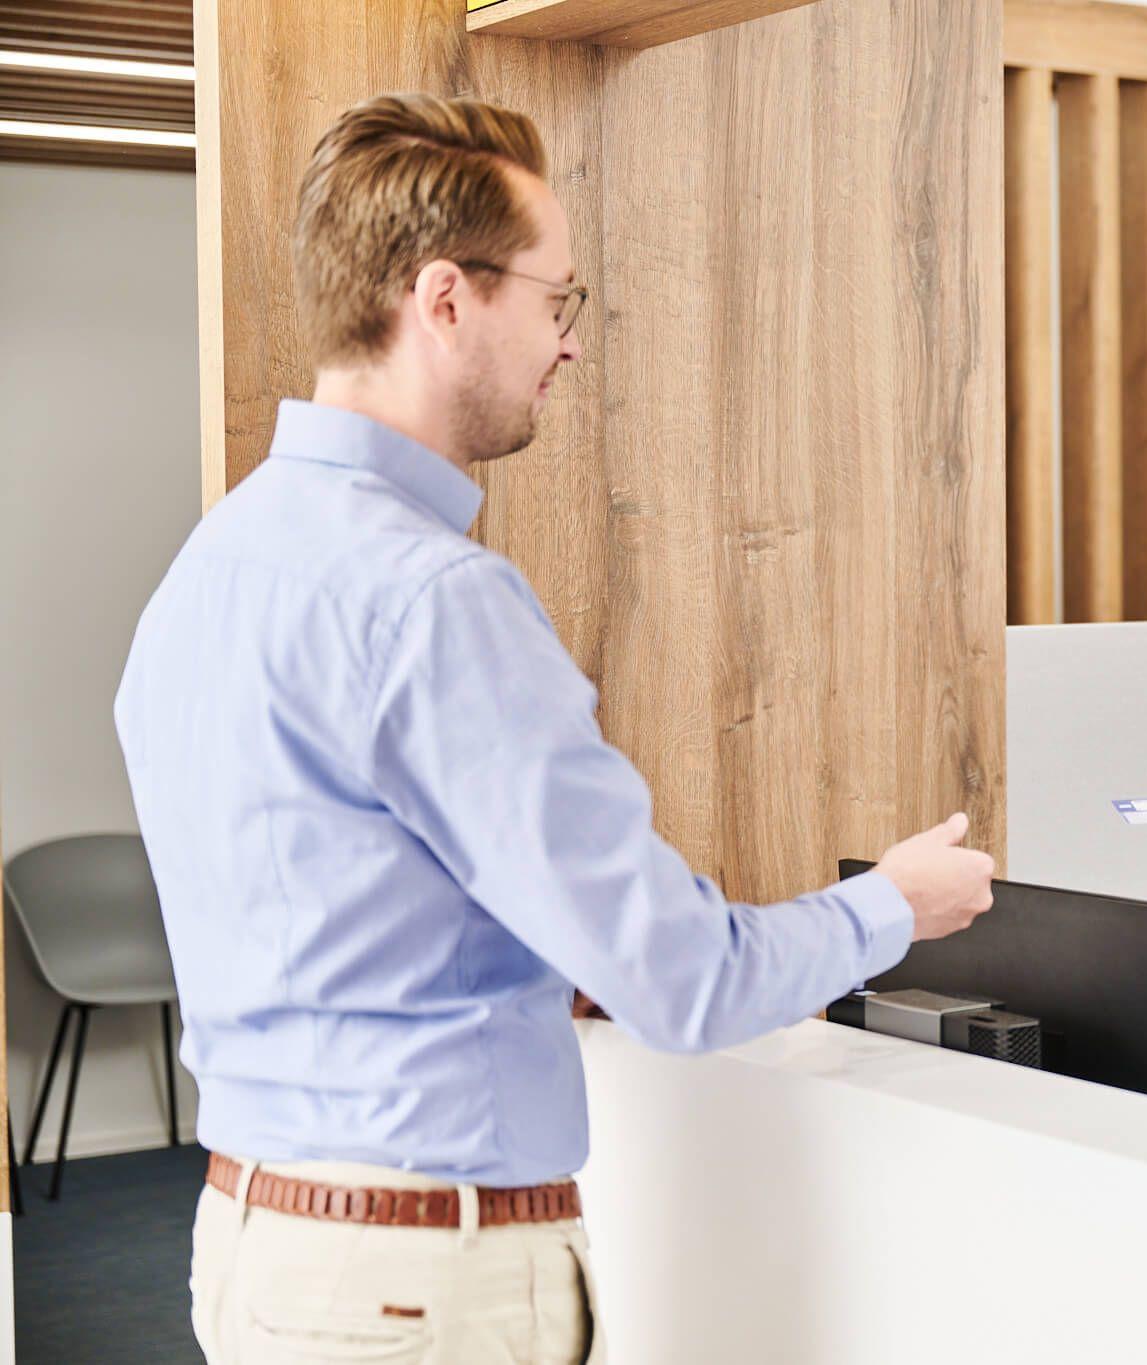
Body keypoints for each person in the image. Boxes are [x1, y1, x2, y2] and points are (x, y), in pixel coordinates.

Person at [114, 91, 994, 1363]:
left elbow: (327, 889)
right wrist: (892, 908)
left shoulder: (210, 567)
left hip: (253, 1246)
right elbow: (681, 982)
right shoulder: (432, 597)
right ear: (445, 300)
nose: (570, 345)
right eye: (556, 297)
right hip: (419, 1283)